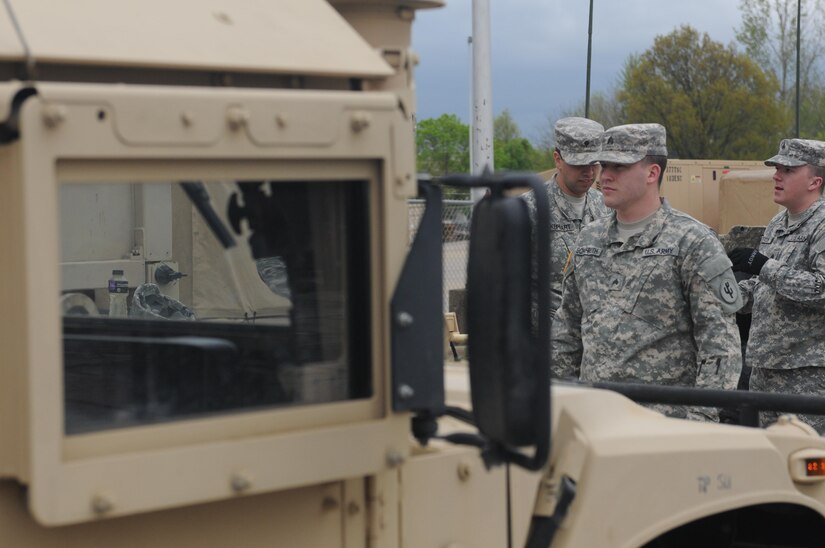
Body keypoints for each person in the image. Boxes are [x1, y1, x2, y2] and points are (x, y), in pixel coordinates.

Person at [552, 123, 742, 421]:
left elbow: (720, 345)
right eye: (605, 165)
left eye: (620, 167)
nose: (605, 176)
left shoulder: (693, 241)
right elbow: (567, 330)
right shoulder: (589, 240)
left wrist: (700, 422)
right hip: (594, 419)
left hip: (663, 425)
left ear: (652, 173)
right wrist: (560, 403)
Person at [729, 138, 825, 433]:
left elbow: (822, 289)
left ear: (815, 181)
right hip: (764, 368)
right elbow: (763, 287)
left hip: (805, 375)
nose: (776, 175)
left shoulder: (821, 224)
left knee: (805, 463)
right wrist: (723, 296)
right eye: (776, 168)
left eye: (788, 170)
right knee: (769, 463)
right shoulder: (777, 224)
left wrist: (762, 264)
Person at [523, 117, 609, 318]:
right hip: (545, 339)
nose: (589, 172)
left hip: (596, 336)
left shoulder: (607, 208)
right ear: (558, 159)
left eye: (594, 163)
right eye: (579, 164)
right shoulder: (530, 210)